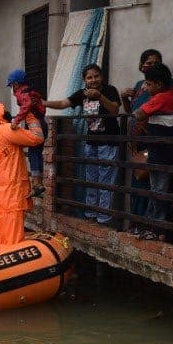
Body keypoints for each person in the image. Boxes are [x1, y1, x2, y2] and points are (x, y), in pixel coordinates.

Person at [120, 49, 173, 227]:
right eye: (148, 62)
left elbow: (142, 113)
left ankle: (154, 227)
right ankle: (141, 226)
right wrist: (125, 98)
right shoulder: (139, 87)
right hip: (142, 151)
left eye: (156, 63)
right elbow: (131, 112)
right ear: (141, 65)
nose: (151, 66)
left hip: (160, 149)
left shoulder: (171, 90)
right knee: (145, 189)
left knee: (158, 190)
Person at [45, 63, 122, 224]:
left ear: (102, 77)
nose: (93, 80)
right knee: (91, 180)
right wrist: (44, 103)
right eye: (89, 77)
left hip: (108, 142)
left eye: (96, 76)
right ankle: (91, 216)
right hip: (91, 143)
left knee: (105, 182)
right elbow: (63, 104)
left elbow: (115, 110)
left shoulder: (110, 91)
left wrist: (99, 97)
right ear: (84, 80)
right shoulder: (82, 94)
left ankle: (104, 219)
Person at [0, 102, 45, 248]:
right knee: (12, 241)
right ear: (1, 114)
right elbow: (38, 137)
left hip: (0, 194)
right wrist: (28, 115)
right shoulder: (6, 130)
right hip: (11, 194)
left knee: (3, 236)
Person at [131, 63, 173, 240]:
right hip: (167, 151)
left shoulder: (161, 98)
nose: (145, 87)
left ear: (159, 85)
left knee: (158, 191)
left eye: (148, 84)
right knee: (158, 190)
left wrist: (143, 97)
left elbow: (138, 114)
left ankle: (155, 228)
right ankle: (152, 226)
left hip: (161, 153)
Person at [5, 68, 47, 197]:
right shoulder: (31, 91)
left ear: (16, 84)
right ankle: (38, 185)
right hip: (41, 124)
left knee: (34, 153)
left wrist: (16, 121)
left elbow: (25, 106)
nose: (12, 89)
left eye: (12, 86)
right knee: (36, 153)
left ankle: (36, 184)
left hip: (36, 126)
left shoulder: (23, 93)